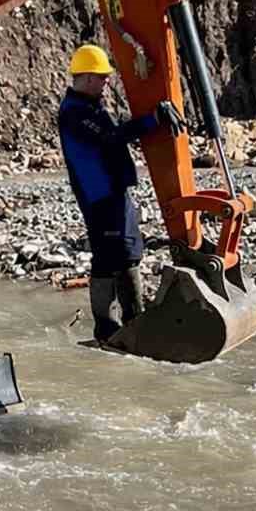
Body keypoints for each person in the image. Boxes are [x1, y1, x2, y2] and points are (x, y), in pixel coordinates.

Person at [58, 41, 181, 344]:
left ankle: (111, 331)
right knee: (124, 253)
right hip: (101, 194)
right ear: (87, 77)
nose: (106, 81)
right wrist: (153, 119)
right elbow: (111, 137)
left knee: (109, 255)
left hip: (104, 191)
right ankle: (131, 325)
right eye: (102, 77)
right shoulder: (75, 112)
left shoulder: (87, 106)